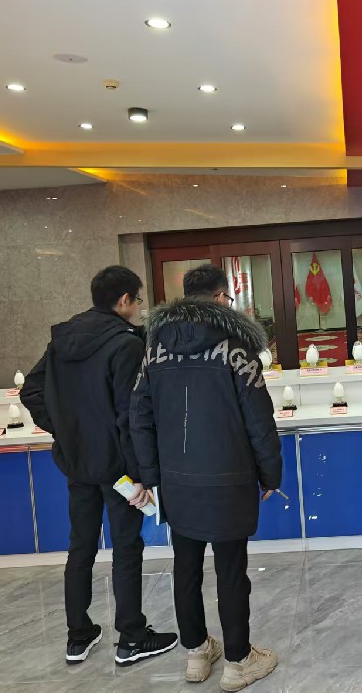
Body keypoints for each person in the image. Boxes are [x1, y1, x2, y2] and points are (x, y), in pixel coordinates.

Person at [130, 264, 282, 692]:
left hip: (177, 480)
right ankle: (238, 661)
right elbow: (259, 418)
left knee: (186, 567)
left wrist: (151, 476)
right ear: (219, 298)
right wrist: (270, 473)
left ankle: (196, 653)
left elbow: (138, 415)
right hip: (229, 478)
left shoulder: (155, 348)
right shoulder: (236, 348)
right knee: (231, 571)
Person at [21, 266, 178, 666]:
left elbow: (31, 391)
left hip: (77, 462)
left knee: (81, 546)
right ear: (123, 300)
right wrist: (142, 476)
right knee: (126, 548)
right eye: (137, 300)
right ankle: (131, 637)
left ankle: (78, 635)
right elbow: (130, 417)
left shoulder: (63, 339)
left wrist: (66, 431)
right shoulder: (125, 345)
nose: (139, 308)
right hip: (118, 468)